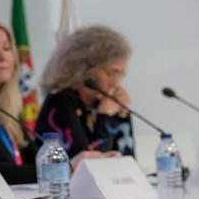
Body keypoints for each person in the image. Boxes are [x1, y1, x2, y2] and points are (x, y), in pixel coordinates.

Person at [0, 17, 109, 185]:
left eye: (7, 48)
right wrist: (64, 169)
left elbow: (34, 160)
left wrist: (91, 160)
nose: (2, 57)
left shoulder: (3, 106)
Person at [35, 25, 133, 158]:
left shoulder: (100, 103)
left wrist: (121, 118)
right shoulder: (61, 101)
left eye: (120, 75)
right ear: (85, 69)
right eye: (111, 73)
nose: (115, 83)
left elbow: (127, 161)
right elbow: (85, 163)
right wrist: (105, 117)